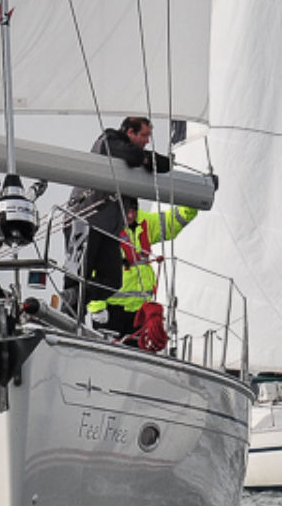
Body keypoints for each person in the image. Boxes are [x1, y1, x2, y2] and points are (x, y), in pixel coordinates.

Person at [63, 116, 174, 310]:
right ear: (130, 132)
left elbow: (164, 164)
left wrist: (147, 158)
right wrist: (145, 159)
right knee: (79, 275)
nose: (147, 140)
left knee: (113, 280)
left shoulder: (130, 152)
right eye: (144, 135)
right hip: (84, 222)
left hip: (108, 230)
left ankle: (77, 298)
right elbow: (129, 155)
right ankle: (68, 317)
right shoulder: (106, 141)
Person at [84, 200, 199, 339]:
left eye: (134, 211)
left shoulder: (145, 222)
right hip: (110, 311)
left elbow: (172, 221)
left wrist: (193, 200)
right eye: (128, 212)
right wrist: (96, 307)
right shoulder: (105, 225)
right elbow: (91, 268)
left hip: (140, 312)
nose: (131, 216)